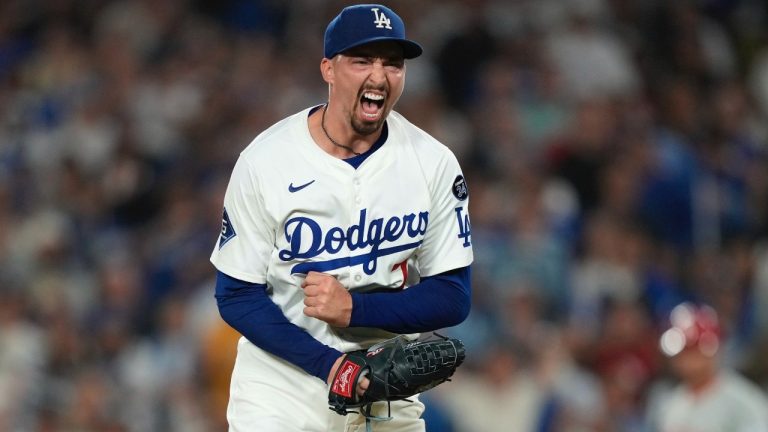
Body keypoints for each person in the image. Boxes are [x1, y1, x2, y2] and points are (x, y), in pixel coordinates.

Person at [209, 4, 474, 432]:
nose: (379, 75)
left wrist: (356, 308)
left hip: (387, 387)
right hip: (284, 384)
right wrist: (331, 366)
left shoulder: (434, 163)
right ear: (328, 69)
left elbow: (453, 295)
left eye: (393, 63)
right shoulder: (267, 160)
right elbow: (236, 295)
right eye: (362, 60)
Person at [647, 302, 768, 432]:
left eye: (691, 351)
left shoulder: (744, 401)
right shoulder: (670, 404)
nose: (685, 361)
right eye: (681, 353)